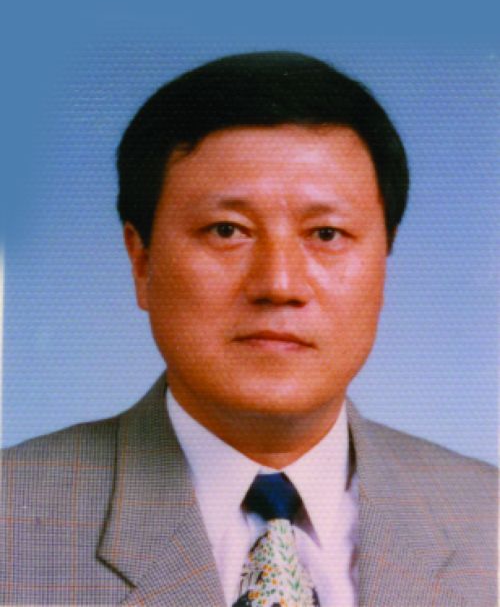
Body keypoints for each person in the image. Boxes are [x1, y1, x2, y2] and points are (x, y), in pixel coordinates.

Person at [1, 51, 496, 607]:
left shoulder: (488, 519)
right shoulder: (12, 522)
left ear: (385, 260)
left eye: (326, 234)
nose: (279, 284)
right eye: (226, 230)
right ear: (141, 261)